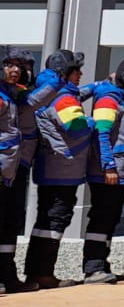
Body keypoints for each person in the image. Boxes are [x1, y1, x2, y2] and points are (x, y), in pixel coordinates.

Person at [22, 50, 86, 289]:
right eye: (76, 70)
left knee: (46, 220)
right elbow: (77, 127)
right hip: (62, 169)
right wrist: (94, 124)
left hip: (51, 167)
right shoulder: (64, 96)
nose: (80, 74)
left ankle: (36, 273)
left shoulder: (49, 91)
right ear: (65, 72)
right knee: (55, 219)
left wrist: (95, 88)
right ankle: (43, 274)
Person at [82, 59, 124, 284]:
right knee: (101, 218)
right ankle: (93, 268)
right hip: (108, 172)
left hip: (121, 173)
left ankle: (102, 265)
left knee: (110, 218)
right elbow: (101, 134)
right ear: (121, 77)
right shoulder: (109, 99)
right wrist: (108, 167)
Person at [0, 47, 35, 292]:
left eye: (18, 67)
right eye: (9, 65)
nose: (15, 70)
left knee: (9, 224)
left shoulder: (12, 94)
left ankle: (7, 276)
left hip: (9, 172)